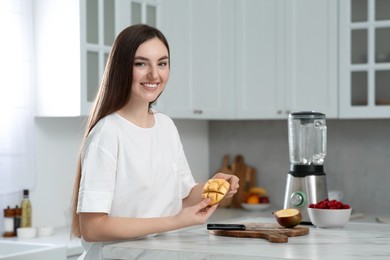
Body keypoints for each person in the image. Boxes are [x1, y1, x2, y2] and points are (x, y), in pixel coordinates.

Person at [70, 24, 239, 259]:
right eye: (141, 63)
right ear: (121, 68)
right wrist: (175, 222)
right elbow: (92, 227)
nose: (154, 74)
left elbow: (182, 196)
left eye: (162, 63)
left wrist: (214, 187)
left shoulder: (166, 126)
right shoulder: (108, 133)